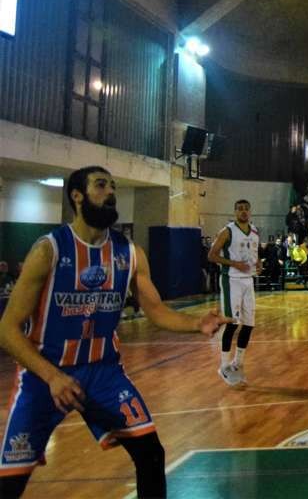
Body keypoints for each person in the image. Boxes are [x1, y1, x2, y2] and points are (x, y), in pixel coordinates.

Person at [0, 166, 228, 498]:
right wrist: (52, 376)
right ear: (77, 196)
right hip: (45, 375)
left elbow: (156, 311)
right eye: (101, 185)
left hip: (103, 373)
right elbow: (7, 329)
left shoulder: (129, 253)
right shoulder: (49, 250)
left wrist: (196, 324)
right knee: (9, 483)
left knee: (151, 454)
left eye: (112, 186)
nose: (110, 192)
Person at [208, 199, 260, 386]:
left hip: (248, 281)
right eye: (240, 209)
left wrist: (259, 263)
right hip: (232, 280)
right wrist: (234, 264)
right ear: (235, 212)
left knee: (249, 324)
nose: (243, 212)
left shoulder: (255, 231)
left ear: (250, 211)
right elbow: (211, 255)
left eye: (246, 209)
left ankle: (237, 363)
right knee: (232, 324)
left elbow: (255, 254)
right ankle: (223, 366)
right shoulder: (227, 231)